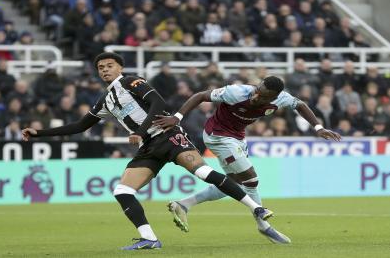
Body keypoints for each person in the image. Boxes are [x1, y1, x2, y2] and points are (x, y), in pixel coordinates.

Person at [22, 52, 273, 250]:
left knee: (203, 171)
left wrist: (141, 130)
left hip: (168, 135)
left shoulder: (131, 81)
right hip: (148, 147)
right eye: (101, 67)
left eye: (109, 65)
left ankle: (256, 208)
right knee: (122, 191)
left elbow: (158, 102)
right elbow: (80, 125)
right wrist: (39, 133)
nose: (105, 70)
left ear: (119, 68)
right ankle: (149, 239)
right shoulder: (104, 100)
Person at [153, 76, 341, 244]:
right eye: (258, 90)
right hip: (218, 136)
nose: (256, 95)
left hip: (238, 137)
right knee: (251, 177)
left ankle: (184, 204)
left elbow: (300, 104)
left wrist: (318, 128)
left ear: (273, 97)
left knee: (234, 184)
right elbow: (201, 96)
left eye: (263, 95)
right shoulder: (236, 92)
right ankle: (263, 223)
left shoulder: (282, 98)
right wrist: (177, 117)